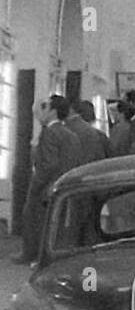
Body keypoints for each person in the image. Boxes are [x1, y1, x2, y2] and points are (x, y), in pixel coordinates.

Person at [17, 97, 81, 263]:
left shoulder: (50, 133)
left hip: (46, 186)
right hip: (64, 184)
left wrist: (36, 183)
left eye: (45, 108)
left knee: (36, 221)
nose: (41, 112)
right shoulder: (71, 135)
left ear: (53, 111)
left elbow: (48, 164)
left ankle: (33, 256)